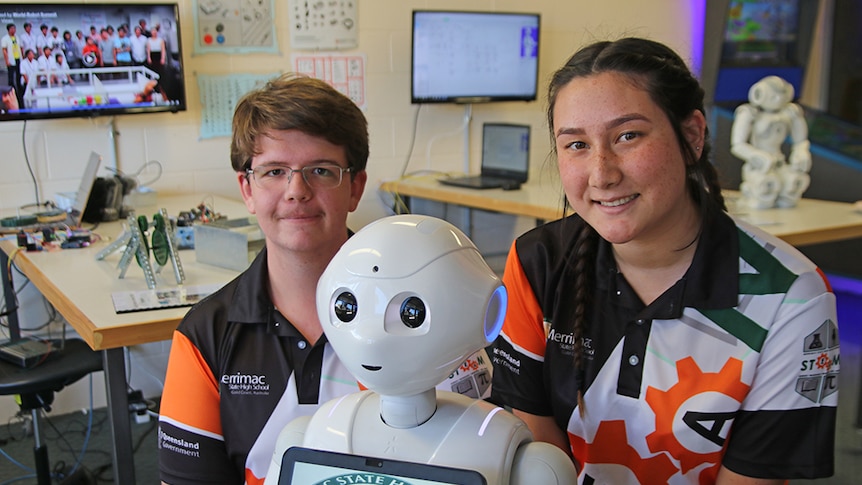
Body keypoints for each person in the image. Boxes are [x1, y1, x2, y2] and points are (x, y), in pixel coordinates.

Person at [489, 37, 838, 484]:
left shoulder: (791, 297)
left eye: (628, 136)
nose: (602, 173)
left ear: (691, 135)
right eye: (576, 145)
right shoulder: (536, 261)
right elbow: (540, 454)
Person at [157, 74, 494, 484]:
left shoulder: (429, 311)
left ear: (355, 188)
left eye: (321, 169)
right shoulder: (204, 338)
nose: (296, 190)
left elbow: (475, 461)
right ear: (247, 189)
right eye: (274, 171)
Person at [730, 75, 811, 210]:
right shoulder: (749, 113)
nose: (778, 99)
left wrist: (801, 151)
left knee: (792, 186)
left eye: (782, 95)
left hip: (779, 162)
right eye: (774, 96)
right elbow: (737, 145)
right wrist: (756, 155)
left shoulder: (790, 112)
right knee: (765, 192)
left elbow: (800, 139)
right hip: (759, 166)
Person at [1, 23, 22, 97]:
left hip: (18, 58)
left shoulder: (17, 37)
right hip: (10, 59)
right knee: (11, 76)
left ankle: (19, 89)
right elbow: (4, 50)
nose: (14, 30)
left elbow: (20, 47)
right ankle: (11, 90)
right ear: (8, 30)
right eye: (12, 28)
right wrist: (7, 61)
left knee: (19, 75)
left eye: (14, 28)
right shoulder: (5, 38)